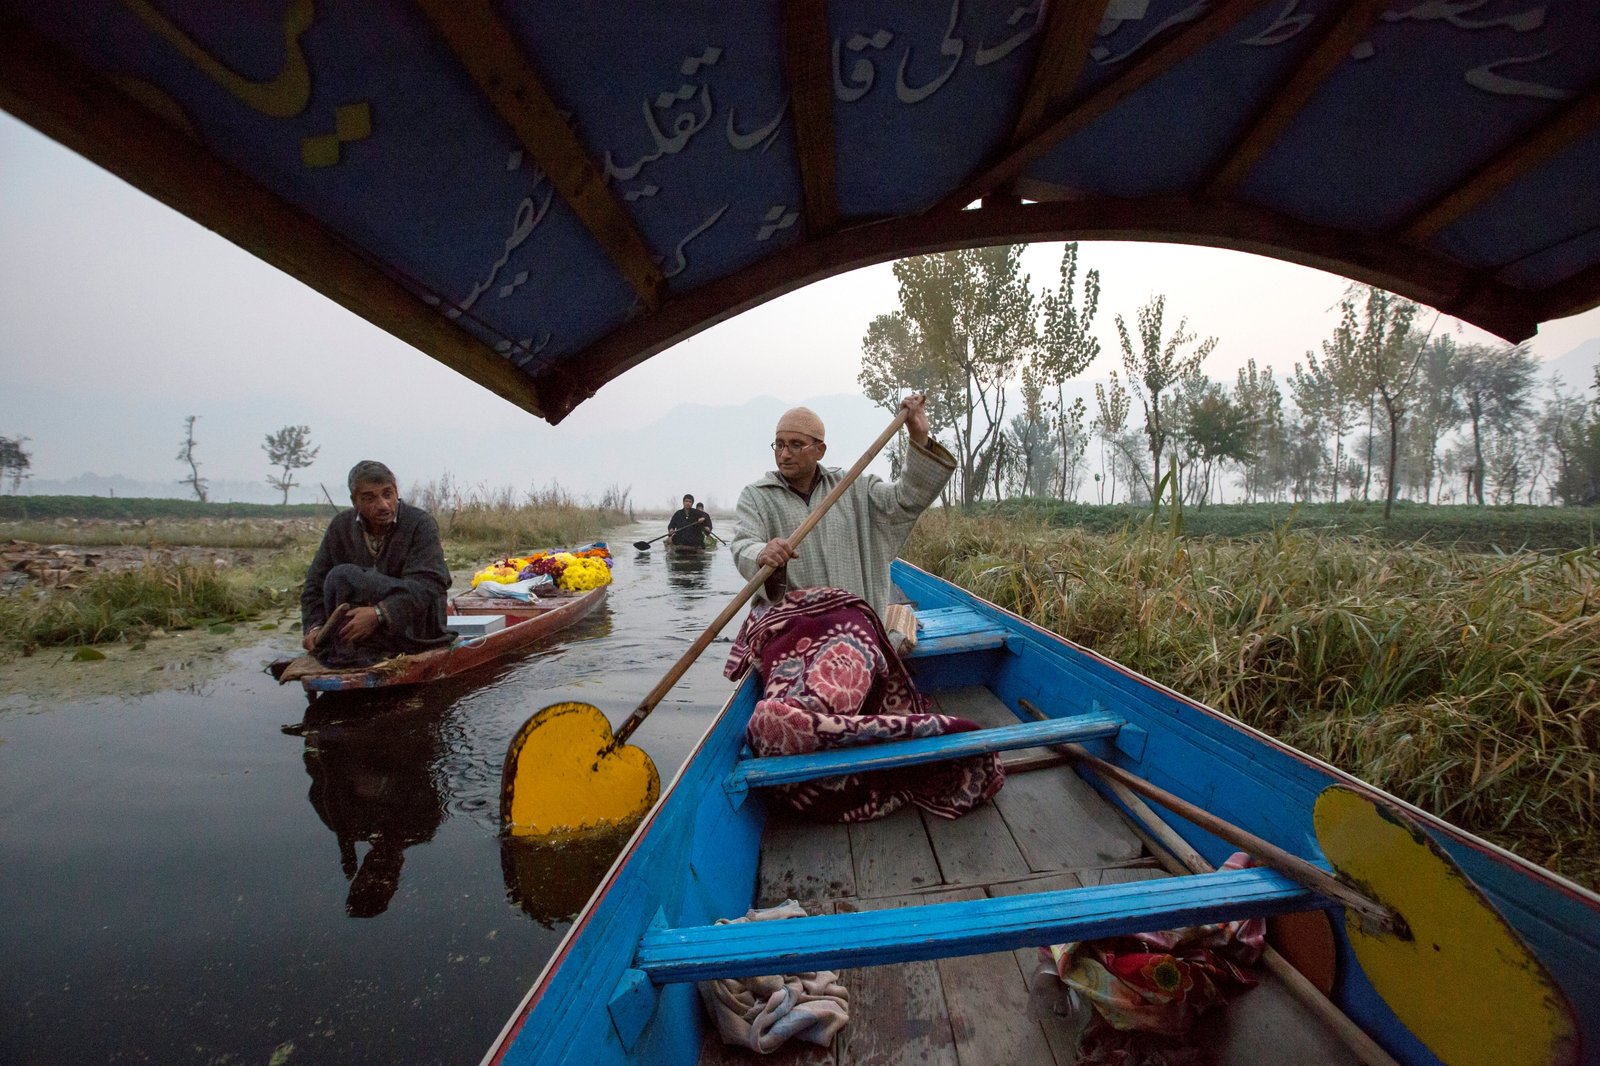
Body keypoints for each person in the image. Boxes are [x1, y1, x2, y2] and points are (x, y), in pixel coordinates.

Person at [729, 394, 954, 618]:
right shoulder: (756, 496)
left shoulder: (853, 487)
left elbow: (906, 499)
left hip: (852, 624)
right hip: (789, 625)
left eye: (796, 445)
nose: (784, 454)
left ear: (820, 450)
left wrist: (919, 436)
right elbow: (743, 544)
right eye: (779, 445)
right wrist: (762, 553)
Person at [300, 460, 452, 667]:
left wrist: (379, 614)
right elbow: (314, 586)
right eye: (369, 498)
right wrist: (314, 628)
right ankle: (348, 647)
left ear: (396, 492)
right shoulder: (340, 527)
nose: (383, 505)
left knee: (342, 575)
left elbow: (430, 585)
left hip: (417, 628)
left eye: (387, 494)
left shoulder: (420, 524)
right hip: (356, 630)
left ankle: (363, 645)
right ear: (355, 502)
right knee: (337, 578)